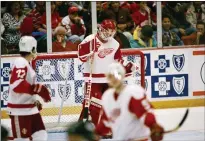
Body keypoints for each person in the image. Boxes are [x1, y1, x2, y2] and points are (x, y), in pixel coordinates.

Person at [78, 19, 133, 127]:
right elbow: (80, 56)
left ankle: (84, 125)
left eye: (111, 32)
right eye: (106, 31)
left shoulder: (115, 44)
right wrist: (88, 54)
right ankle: (97, 128)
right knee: (95, 103)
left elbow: (118, 61)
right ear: (101, 29)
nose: (108, 34)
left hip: (108, 79)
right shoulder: (90, 39)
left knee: (109, 102)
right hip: (93, 78)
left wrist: (127, 67)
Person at [96, 62, 164, 141]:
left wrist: (153, 126)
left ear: (123, 75)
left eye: (117, 75)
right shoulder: (107, 97)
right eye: (111, 76)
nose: (114, 79)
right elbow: (106, 122)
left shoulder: (133, 92)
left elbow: (145, 114)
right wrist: (95, 133)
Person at [7, 36, 51, 141]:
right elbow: (17, 85)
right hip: (20, 111)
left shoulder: (25, 63)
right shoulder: (20, 62)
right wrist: (38, 89)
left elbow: (26, 86)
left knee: (41, 135)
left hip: (30, 109)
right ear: (32, 49)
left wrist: (35, 98)